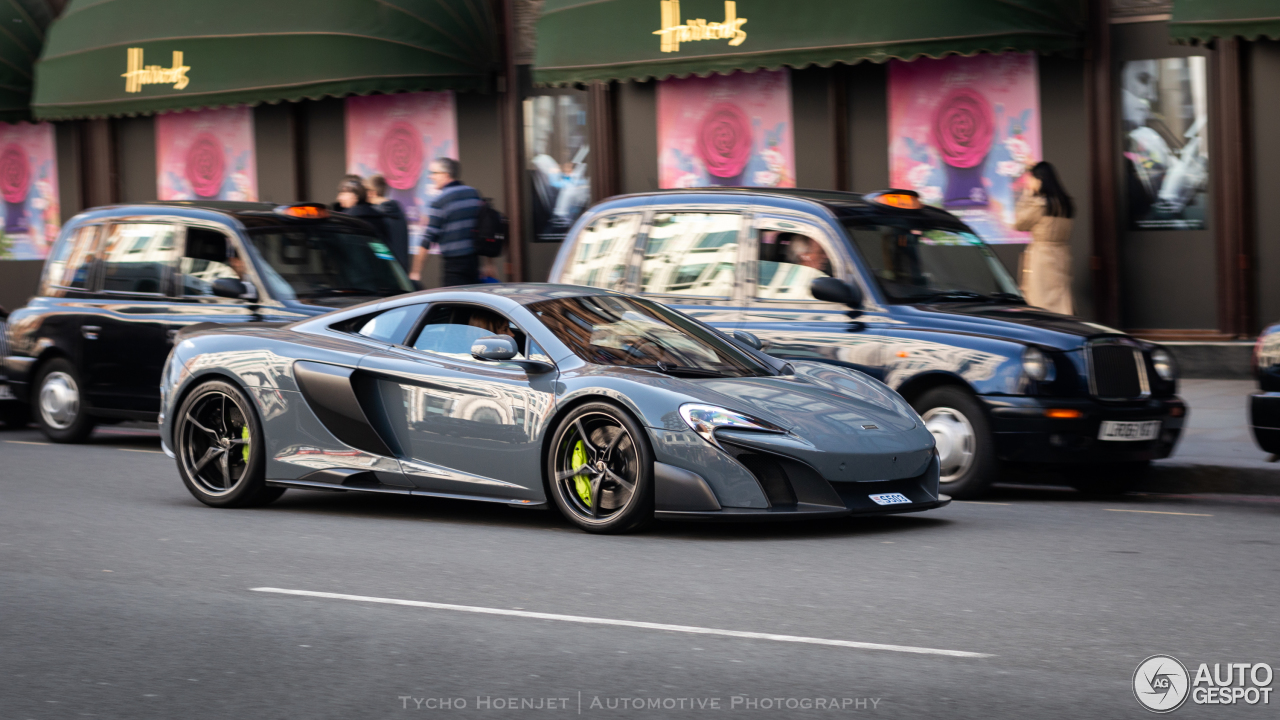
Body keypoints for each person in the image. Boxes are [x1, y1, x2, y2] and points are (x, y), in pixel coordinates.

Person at [1015, 161, 1075, 315]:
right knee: (1061, 303)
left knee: (1040, 305)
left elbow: (1019, 223)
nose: (1029, 182)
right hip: (1062, 256)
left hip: (1041, 259)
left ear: (1039, 180)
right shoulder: (1065, 204)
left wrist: (1027, 195)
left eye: (1031, 179)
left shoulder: (1039, 205)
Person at [413, 157, 483, 286]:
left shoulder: (440, 201)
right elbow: (484, 230)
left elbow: (429, 238)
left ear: (446, 175)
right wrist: (489, 265)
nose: (431, 177)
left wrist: (415, 272)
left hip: (453, 266)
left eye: (434, 173)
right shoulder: (474, 193)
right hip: (474, 264)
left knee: (454, 304)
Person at [365, 174, 411, 272]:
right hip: (402, 273)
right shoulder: (398, 210)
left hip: (386, 273)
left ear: (372, 193)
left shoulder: (375, 214)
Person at [333, 177, 389, 242]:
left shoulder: (348, 219)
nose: (339, 198)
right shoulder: (376, 215)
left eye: (343, 193)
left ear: (356, 196)